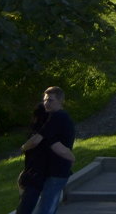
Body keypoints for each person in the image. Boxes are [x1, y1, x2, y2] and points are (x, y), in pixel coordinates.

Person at [20, 86, 76, 214]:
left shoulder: (59, 117)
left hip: (58, 171)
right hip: (53, 170)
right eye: (45, 100)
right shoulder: (52, 117)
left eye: (50, 100)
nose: (46, 103)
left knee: (46, 208)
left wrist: (23, 147)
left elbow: (42, 142)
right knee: (47, 207)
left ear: (60, 101)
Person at [16, 103, 48, 214]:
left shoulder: (35, 134)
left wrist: (23, 147)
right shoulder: (51, 131)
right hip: (46, 174)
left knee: (25, 207)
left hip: (33, 174)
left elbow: (32, 145)